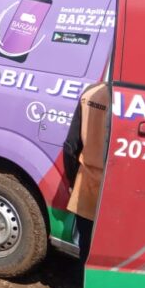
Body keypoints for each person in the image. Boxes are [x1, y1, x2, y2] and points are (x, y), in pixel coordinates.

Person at [63, 82, 110, 277]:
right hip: (116, 187)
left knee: (86, 246)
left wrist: (73, 183)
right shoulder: (139, 98)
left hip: (87, 184)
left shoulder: (91, 93)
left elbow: (70, 146)